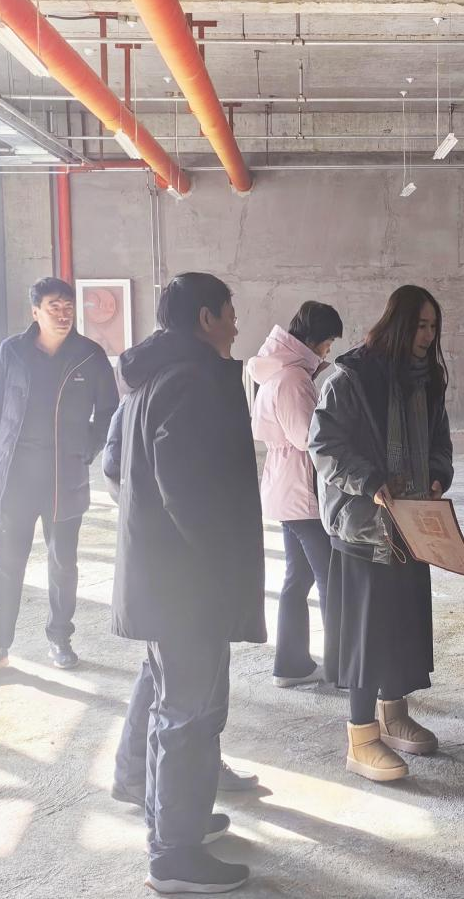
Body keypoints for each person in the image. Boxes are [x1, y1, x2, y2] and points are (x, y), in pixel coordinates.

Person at [110, 272, 265, 894]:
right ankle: (174, 855)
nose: (236, 323)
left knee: (169, 697)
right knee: (190, 714)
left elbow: (116, 467)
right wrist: (219, 565)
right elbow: (190, 494)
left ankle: (173, 817)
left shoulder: (151, 377)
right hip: (189, 585)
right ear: (206, 318)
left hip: (165, 577)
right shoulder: (194, 380)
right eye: (230, 311)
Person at [308, 285, 453, 783]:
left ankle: (395, 716)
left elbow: (439, 440)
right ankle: (361, 736)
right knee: (366, 635)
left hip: (411, 523)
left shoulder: (428, 379)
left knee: (403, 624)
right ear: (397, 325)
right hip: (364, 527)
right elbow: (324, 447)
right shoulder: (349, 377)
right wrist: (370, 483)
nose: (427, 336)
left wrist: (438, 475)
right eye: (419, 326)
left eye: (432, 327)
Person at [101, 397, 260, 809]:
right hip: (175, 572)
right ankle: (149, 779)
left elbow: (117, 469)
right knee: (176, 690)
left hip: (168, 568)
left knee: (165, 679)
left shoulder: (153, 388)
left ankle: (148, 774)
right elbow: (119, 469)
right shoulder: (167, 391)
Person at [0, 277, 118, 674]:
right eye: (54, 307)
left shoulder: (89, 355)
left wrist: (85, 449)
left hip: (63, 477)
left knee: (63, 564)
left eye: (68, 307)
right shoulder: (12, 352)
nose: (63, 314)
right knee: (7, 563)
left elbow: (109, 413)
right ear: (36, 312)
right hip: (14, 475)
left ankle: (60, 638)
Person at [247, 301, 344, 688]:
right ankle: (342, 668)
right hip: (302, 492)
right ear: (317, 339)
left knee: (298, 578)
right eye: (329, 341)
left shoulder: (279, 370)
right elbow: (308, 437)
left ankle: (291, 665)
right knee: (331, 581)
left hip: (285, 488)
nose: (330, 348)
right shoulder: (292, 378)